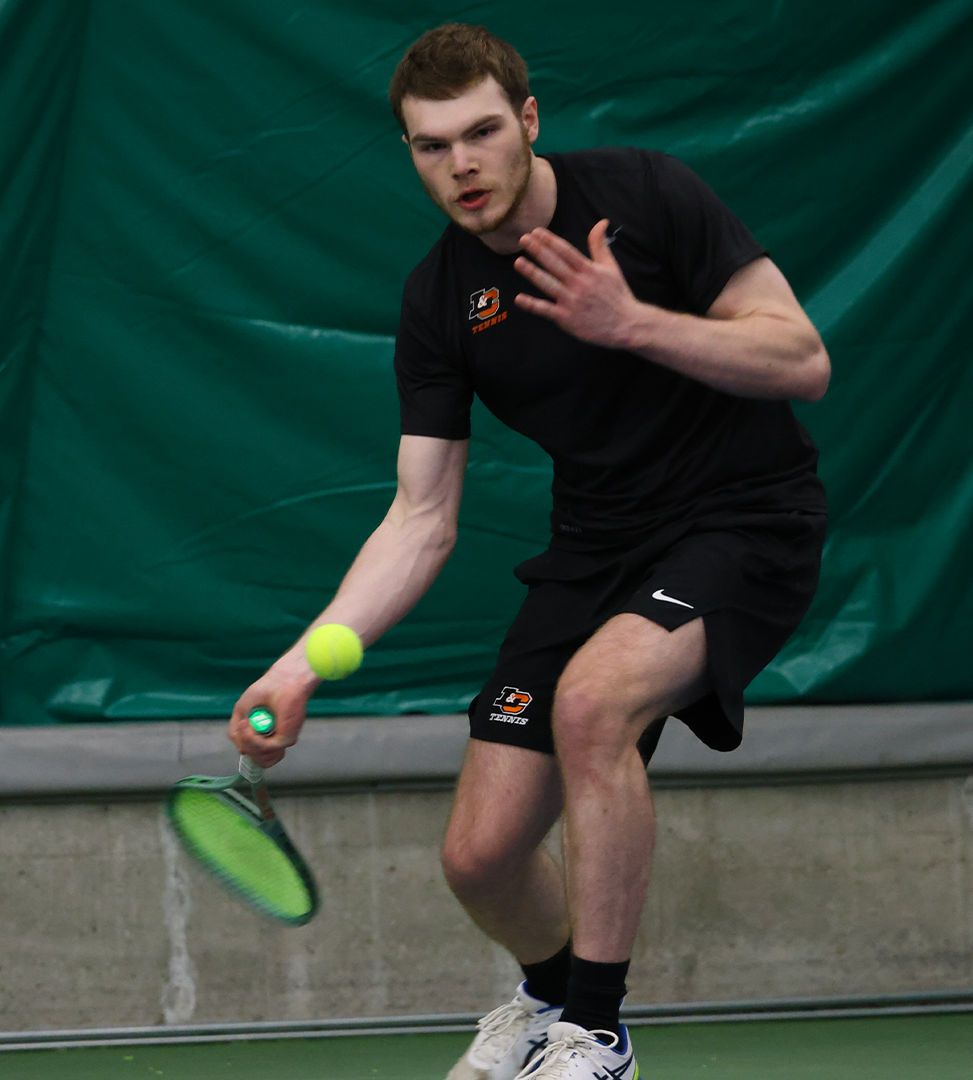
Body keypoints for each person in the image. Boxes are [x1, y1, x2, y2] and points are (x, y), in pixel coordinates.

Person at [228, 22, 830, 1080]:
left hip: (745, 519)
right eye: (430, 146)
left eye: (482, 132)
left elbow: (802, 358)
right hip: (598, 547)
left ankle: (595, 1033)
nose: (462, 165)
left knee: (595, 704)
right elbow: (422, 517)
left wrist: (634, 322)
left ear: (530, 120)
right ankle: (545, 995)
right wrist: (296, 662)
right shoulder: (440, 300)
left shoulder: (647, 195)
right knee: (481, 856)